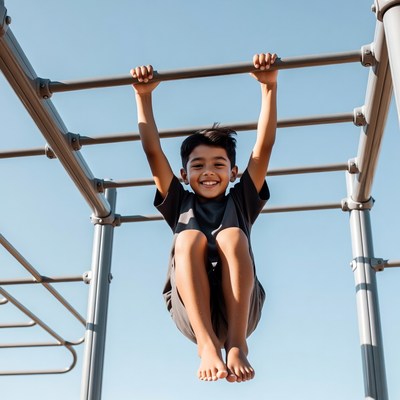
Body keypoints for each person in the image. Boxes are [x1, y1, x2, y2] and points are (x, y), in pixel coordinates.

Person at [131, 53, 278, 383]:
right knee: (189, 236)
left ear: (234, 172)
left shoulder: (241, 201)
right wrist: (143, 96)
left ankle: (237, 345)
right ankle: (207, 347)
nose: (208, 172)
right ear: (184, 174)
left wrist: (269, 88)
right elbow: (153, 153)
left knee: (232, 235)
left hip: (240, 312)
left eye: (218, 164)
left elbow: (263, 147)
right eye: (198, 165)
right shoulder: (179, 202)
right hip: (193, 314)